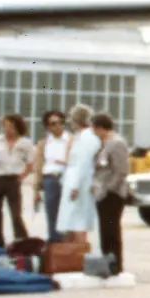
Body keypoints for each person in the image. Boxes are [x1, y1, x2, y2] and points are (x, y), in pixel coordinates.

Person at [0, 113, 36, 246]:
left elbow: (30, 164)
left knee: (16, 213)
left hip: (13, 180)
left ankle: (22, 240)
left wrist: (21, 177)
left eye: (11, 126)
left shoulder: (25, 143)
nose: (8, 129)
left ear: (18, 127)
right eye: (5, 126)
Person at [91, 114, 131, 275]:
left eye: (94, 129)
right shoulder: (103, 144)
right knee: (104, 229)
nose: (93, 132)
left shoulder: (117, 144)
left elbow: (121, 170)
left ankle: (115, 263)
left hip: (113, 193)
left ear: (101, 128)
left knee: (111, 229)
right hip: (101, 193)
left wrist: (109, 189)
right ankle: (106, 260)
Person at [56, 104, 100, 244]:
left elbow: (83, 163)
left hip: (79, 185)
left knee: (78, 222)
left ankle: (79, 255)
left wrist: (75, 186)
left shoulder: (87, 137)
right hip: (74, 182)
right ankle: (72, 255)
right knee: (71, 221)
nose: (70, 122)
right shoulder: (80, 136)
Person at [32, 109, 75, 237]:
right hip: (50, 179)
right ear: (47, 126)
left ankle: (69, 247)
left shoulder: (72, 140)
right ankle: (55, 244)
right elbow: (38, 167)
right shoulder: (43, 143)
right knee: (52, 214)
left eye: (61, 122)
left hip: (68, 179)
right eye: (53, 123)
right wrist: (36, 190)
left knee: (69, 214)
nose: (58, 126)